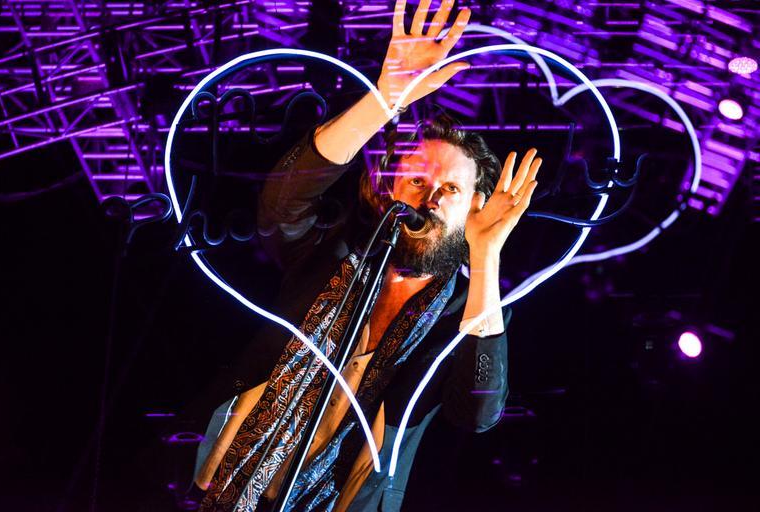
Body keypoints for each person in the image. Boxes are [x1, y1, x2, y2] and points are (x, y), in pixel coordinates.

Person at [187, 0, 541, 510]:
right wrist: (384, 99)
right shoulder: (333, 252)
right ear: (388, 190)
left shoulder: (469, 310)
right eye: (416, 180)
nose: (431, 198)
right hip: (218, 488)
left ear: (474, 207)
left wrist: (486, 254)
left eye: (451, 190)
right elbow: (283, 202)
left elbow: (478, 412)